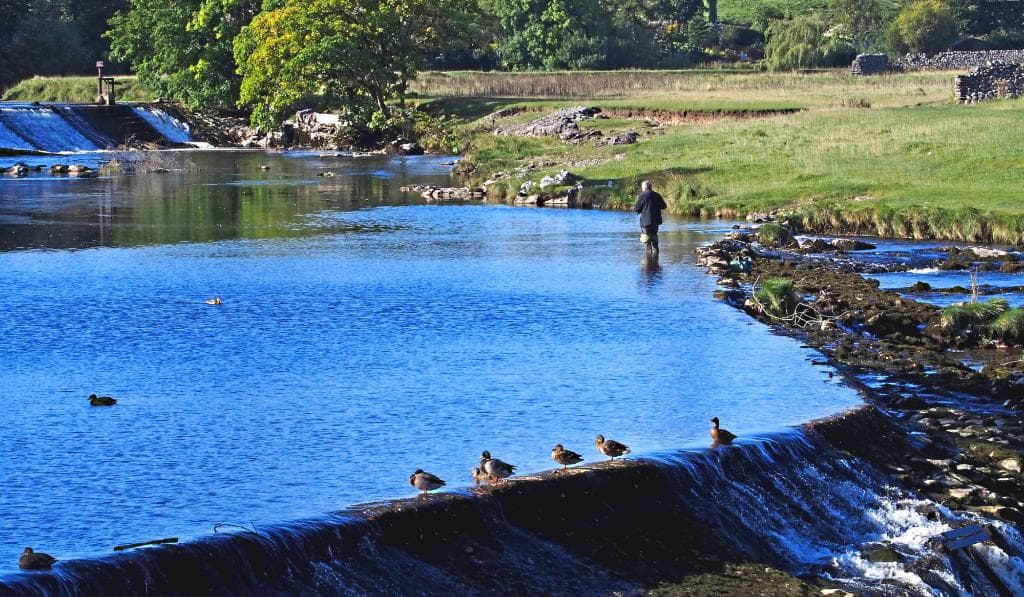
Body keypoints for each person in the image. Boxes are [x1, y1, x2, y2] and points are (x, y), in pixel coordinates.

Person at [633, 180, 667, 254]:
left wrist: (640, 210)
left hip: (645, 222)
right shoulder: (657, 195)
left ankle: (648, 260)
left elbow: (636, 209)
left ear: (644, 187)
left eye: (642, 187)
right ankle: (655, 258)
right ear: (650, 187)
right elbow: (664, 206)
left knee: (647, 240)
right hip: (656, 222)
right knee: (654, 238)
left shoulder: (642, 195)